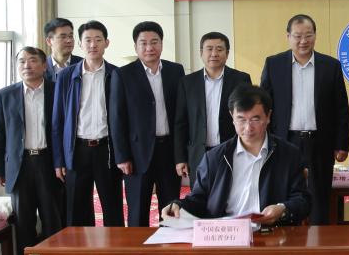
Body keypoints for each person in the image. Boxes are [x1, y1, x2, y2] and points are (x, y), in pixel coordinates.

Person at [162, 85, 309, 224]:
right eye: (241, 119)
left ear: (268, 116)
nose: (248, 128)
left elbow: (303, 201)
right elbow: (198, 199)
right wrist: (178, 205)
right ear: (232, 116)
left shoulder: (289, 155)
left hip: (272, 231)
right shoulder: (214, 158)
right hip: (226, 233)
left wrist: (282, 209)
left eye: (255, 119)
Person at [260, 14, 349, 224]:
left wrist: (341, 144)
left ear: (315, 36)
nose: (303, 41)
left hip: (319, 142)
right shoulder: (274, 64)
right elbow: (264, 106)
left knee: (319, 196)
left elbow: (341, 108)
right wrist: (265, 141)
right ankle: (286, 237)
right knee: (284, 192)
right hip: (284, 140)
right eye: (297, 36)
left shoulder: (331, 66)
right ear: (288, 37)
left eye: (308, 35)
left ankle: (320, 237)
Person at [0, 47, 63, 255]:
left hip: (49, 163)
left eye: (32, 60)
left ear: (44, 65)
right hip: (19, 166)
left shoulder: (57, 90)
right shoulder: (5, 95)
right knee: (24, 222)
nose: (27, 66)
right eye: (22, 61)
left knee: (53, 219)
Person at [110, 21, 185, 226]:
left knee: (171, 208)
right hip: (137, 154)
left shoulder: (175, 71)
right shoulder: (123, 74)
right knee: (137, 210)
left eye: (154, 42)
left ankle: (169, 244)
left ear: (161, 44)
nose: (149, 47)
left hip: (169, 151)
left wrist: (181, 154)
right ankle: (138, 246)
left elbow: (181, 114)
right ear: (135, 46)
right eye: (143, 43)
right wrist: (122, 156)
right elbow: (117, 118)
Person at [51, 20, 124, 227]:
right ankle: (80, 247)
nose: (93, 45)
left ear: (106, 43)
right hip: (77, 150)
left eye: (98, 40)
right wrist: (59, 160)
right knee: (76, 210)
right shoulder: (66, 76)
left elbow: (123, 118)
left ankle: (114, 247)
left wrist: (123, 155)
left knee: (112, 207)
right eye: (88, 40)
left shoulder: (116, 74)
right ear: (80, 44)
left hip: (106, 150)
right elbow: (58, 121)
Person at [175, 31, 252, 180]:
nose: (214, 54)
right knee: (200, 193)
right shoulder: (187, 83)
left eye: (219, 49)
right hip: (198, 154)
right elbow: (181, 123)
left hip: (232, 151)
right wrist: (180, 158)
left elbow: (247, 118)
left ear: (227, 53)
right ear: (201, 53)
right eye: (209, 49)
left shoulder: (241, 80)